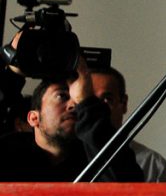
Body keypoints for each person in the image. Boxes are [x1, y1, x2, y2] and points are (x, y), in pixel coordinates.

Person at [0, 58, 143, 182]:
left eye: (77, 99)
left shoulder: (93, 155)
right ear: (34, 118)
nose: (74, 105)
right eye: (62, 96)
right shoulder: (8, 152)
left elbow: (128, 184)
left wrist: (86, 101)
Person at [91, 66, 166, 182]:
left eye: (107, 99)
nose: (96, 108)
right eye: (89, 101)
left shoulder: (154, 165)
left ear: (124, 103)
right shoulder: (67, 158)